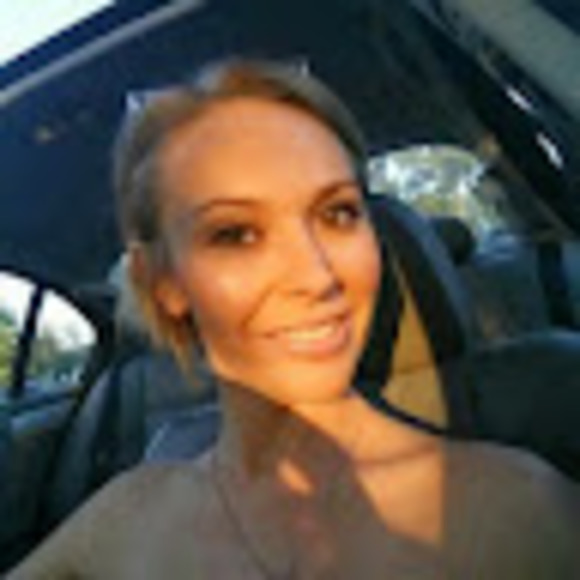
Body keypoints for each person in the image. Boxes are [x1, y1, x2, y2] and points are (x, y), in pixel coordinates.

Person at [8, 58, 579, 580]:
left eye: (338, 213)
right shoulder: (124, 517)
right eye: (236, 233)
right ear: (164, 283)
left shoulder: (515, 512)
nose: (316, 274)